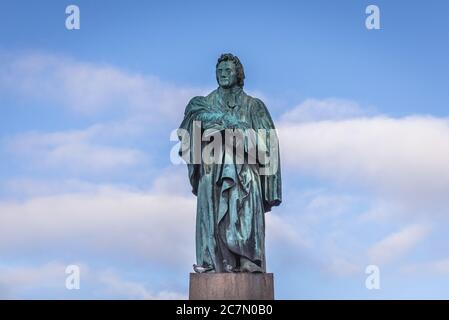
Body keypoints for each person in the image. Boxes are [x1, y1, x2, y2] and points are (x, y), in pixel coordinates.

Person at [179, 53, 282, 273]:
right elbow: (189, 132)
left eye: (228, 71)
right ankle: (211, 262)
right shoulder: (204, 103)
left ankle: (247, 259)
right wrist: (226, 126)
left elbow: (267, 145)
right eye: (219, 71)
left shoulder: (254, 106)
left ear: (238, 75)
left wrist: (239, 138)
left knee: (242, 207)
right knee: (211, 212)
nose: (223, 74)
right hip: (212, 170)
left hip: (245, 172)